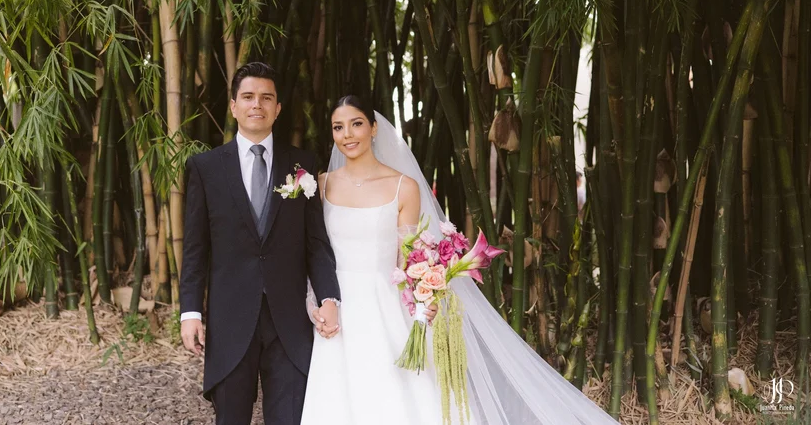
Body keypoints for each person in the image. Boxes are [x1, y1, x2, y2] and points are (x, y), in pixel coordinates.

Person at [302, 95, 618, 425]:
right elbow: (313, 251)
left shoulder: (403, 187)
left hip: (386, 307)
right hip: (337, 307)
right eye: (339, 127)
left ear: (374, 128)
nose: (348, 135)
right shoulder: (322, 185)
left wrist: (424, 296)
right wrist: (315, 301)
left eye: (356, 124)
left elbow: (408, 258)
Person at [179, 62, 340, 425]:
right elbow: (195, 249)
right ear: (234, 106)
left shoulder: (303, 163)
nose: (257, 105)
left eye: (266, 97)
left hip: (290, 319)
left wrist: (329, 297)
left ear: (278, 108)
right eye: (248, 97)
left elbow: (316, 244)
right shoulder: (205, 167)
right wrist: (190, 312)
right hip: (229, 317)